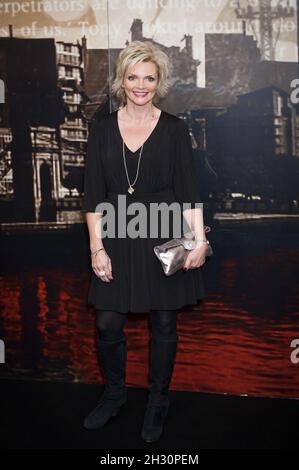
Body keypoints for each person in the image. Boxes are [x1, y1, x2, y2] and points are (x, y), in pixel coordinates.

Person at [82, 40, 209, 443]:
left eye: (149, 78)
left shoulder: (174, 128)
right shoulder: (102, 128)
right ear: (122, 80)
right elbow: (93, 196)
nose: (141, 85)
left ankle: (157, 400)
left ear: (160, 82)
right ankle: (115, 394)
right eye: (133, 77)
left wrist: (199, 240)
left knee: (165, 322)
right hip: (118, 232)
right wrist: (96, 248)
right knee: (107, 323)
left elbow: (189, 191)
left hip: (165, 233)